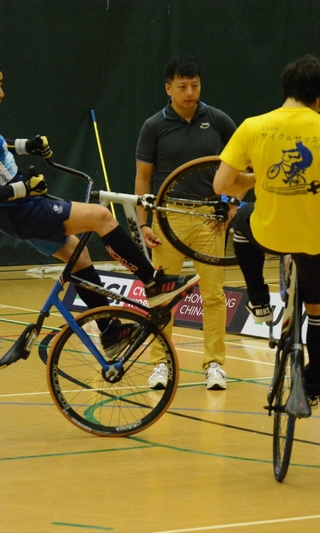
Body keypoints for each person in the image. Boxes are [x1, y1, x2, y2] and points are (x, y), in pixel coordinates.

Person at [0, 56, 199, 361]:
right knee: (102, 217)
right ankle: (153, 283)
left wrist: (28, 146)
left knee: (79, 258)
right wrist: (25, 189)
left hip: (9, 212)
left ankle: (110, 332)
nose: (2, 93)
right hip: (17, 208)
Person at [213, 55, 320, 408]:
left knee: (243, 220)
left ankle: (258, 297)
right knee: (319, 309)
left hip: (270, 235)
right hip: (315, 238)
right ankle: (315, 383)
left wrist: (255, 178)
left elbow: (222, 185)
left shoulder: (252, 126)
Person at [134, 56, 236, 391]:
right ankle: (160, 363)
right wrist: (143, 224)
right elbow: (143, 178)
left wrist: (233, 202)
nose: (189, 92)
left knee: (214, 295)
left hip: (209, 219)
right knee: (162, 295)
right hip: (167, 218)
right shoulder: (153, 126)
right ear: (168, 88)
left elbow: (244, 162)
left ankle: (214, 364)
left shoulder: (217, 119)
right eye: (182, 87)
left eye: (195, 85)